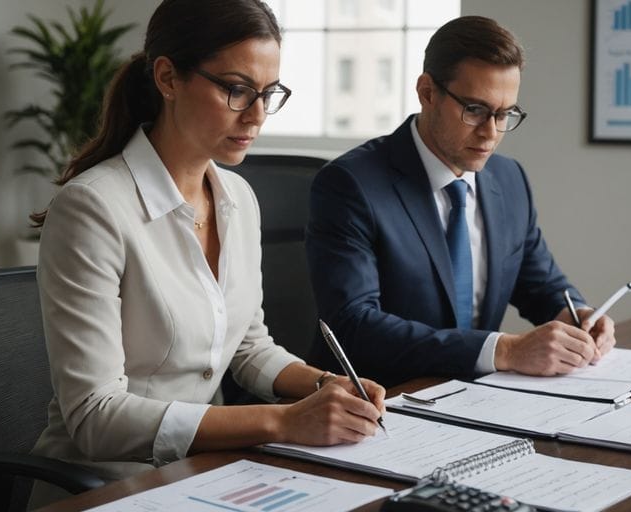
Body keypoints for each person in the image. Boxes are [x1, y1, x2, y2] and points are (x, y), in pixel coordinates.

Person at [29, 0, 385, 503]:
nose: (258, 115)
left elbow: (247, 347)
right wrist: (283, 421)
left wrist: (326, 384)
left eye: (269, 93)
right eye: (237, 90)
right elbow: (95, 416)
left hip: (205, 473)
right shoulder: (92, 208)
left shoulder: (238, 197)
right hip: (107, 486)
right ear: (168, 78)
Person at [306, 16, 617, 387]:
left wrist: (579, 315)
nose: (490, 132)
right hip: (377, 402)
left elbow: (541, 285)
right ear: (427, 92)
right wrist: (504, 350)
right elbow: (353, 325)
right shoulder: (351, 184)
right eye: (475, 110)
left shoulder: (509, 179)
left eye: (505, 114)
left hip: (474, 399)